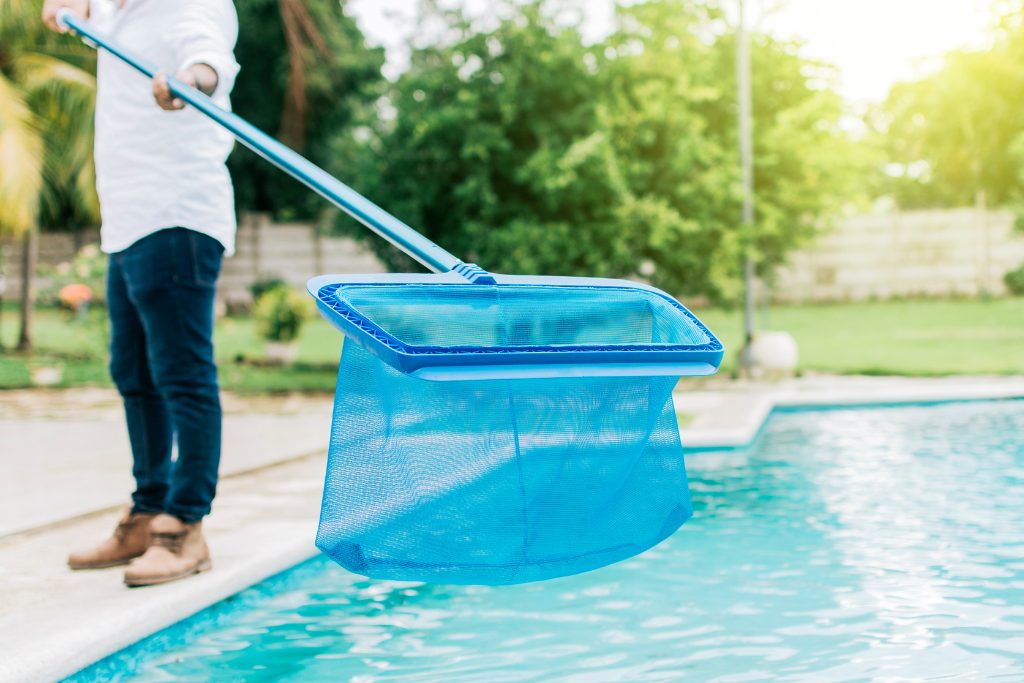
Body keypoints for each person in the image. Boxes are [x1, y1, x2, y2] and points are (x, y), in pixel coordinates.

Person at [42, 0, 240, 587]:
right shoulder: (114, 11)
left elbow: (210, 59)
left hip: (176, 213)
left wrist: (190, 81)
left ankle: (184, 528)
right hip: (127, 219)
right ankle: (148, 507)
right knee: (132, 370)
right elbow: (76, 15)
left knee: (181, 374)